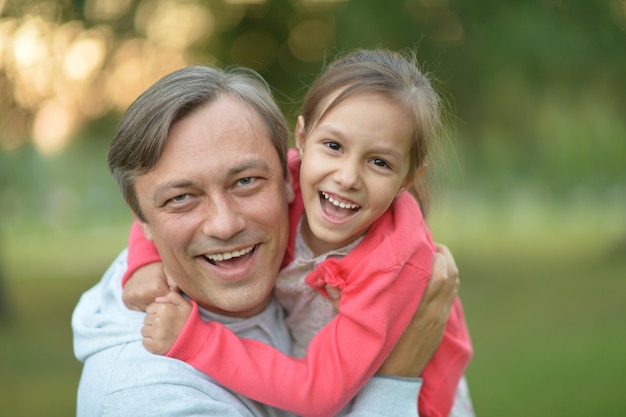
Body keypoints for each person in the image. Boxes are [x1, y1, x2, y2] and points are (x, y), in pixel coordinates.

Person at [72, 63, 463, 417]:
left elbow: (320, 391)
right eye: (182, 198)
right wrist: (144, 260)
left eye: (245, 182)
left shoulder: (392, 269)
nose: (346, 178)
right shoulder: (145, 397)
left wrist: (196, 340)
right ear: (303, 142)